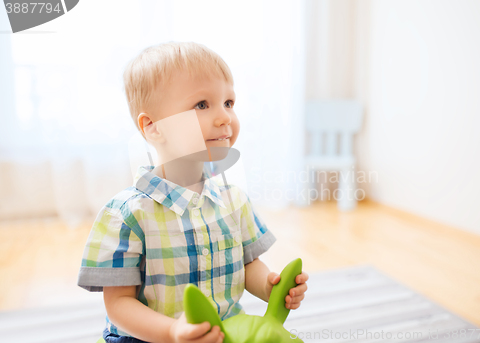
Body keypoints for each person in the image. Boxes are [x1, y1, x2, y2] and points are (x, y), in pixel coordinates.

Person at [77, 42, 309, 343]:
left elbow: (248, 264)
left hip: (223, 333)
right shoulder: (126, 215)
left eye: (228, 102)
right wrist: (173, 332)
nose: (225, 117)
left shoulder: (233, 200)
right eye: (202, 105)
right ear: (153, 127)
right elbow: (119, 305)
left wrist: (270, 286)